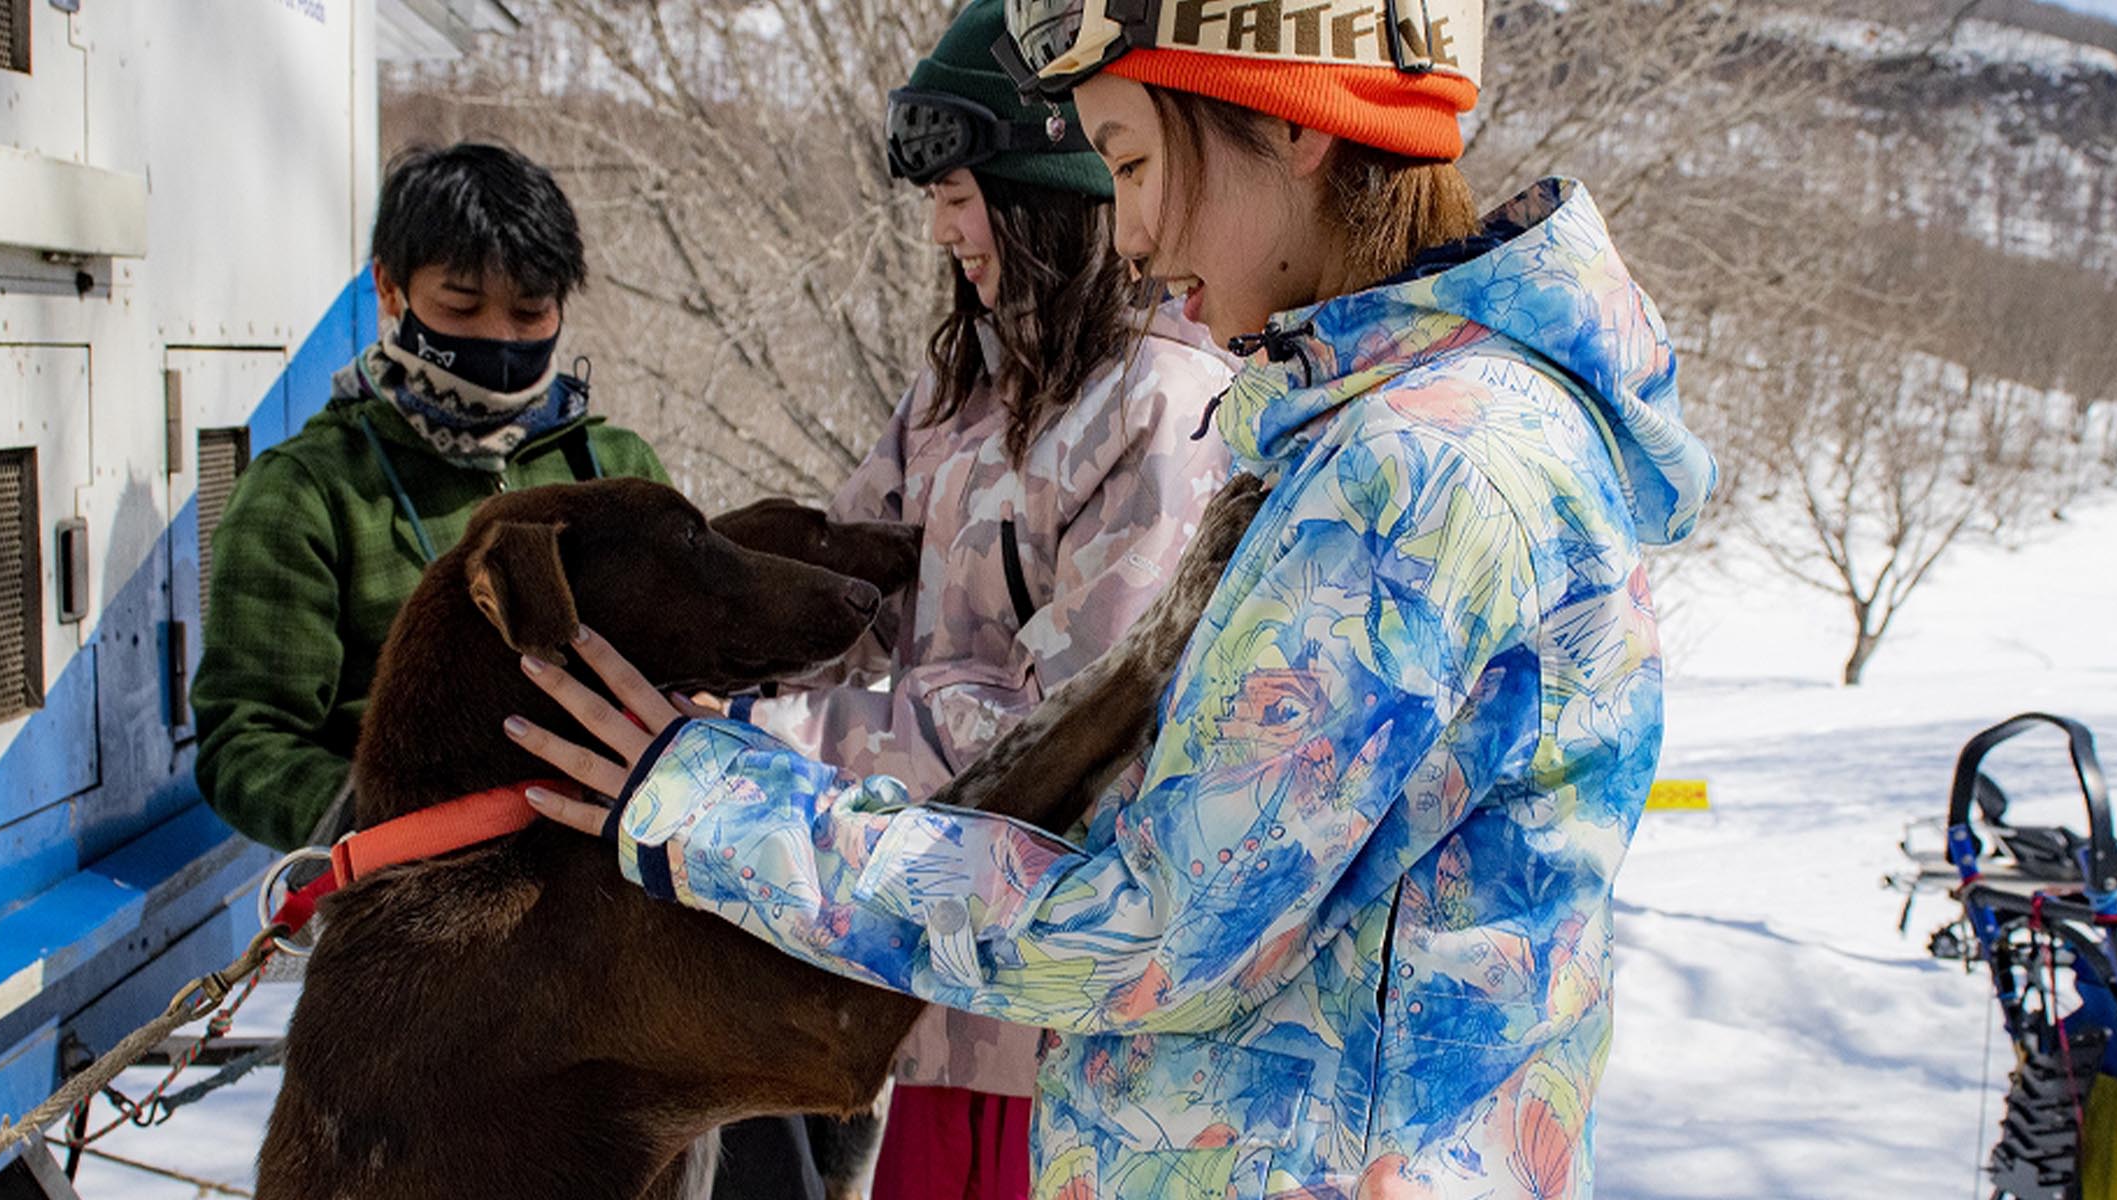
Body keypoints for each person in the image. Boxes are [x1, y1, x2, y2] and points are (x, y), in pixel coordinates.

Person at [507, 0, 1720, 1192]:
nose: (1126, 234)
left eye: (1133, 163)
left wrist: (714, 804)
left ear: (1294, 119)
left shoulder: (1415, 470)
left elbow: (1148, 925)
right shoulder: (1377, 436)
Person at [735, 2, 1233, 1195]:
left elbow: (1070, 725)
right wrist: (715, 638)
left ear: (1048, 192)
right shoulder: (962, 386)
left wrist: (767, 741)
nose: (943, 229)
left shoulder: (1166, 407)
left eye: (963, 193)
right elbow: (846, 591)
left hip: (1071, 1036)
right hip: (939, 1001)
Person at [194, 141, 667, 850]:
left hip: (609, 873)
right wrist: (393, 829)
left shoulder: (613, 469)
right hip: (423, 892)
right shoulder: (309, 491)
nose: (500, 338)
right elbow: (246, 740)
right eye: (461, 305)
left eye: (531, 311)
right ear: (389, 288)